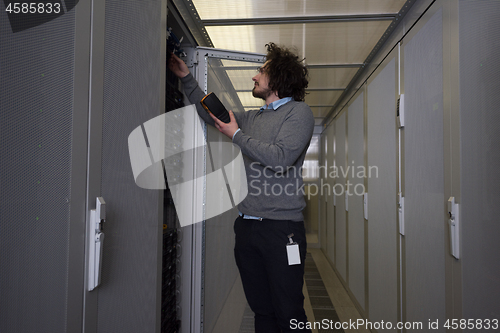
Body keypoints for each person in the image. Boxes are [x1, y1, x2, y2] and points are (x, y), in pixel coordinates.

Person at [169, 43, 314, 333]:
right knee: (262, 310)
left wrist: (236, 135)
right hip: (248, 228)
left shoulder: (299, 113)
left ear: (279, 78)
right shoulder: (253, 117)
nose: (254, 77)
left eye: (262, 71)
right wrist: (186, 78)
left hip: (281, 230)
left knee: (289, 312)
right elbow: (214, 114)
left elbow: (281, 158)